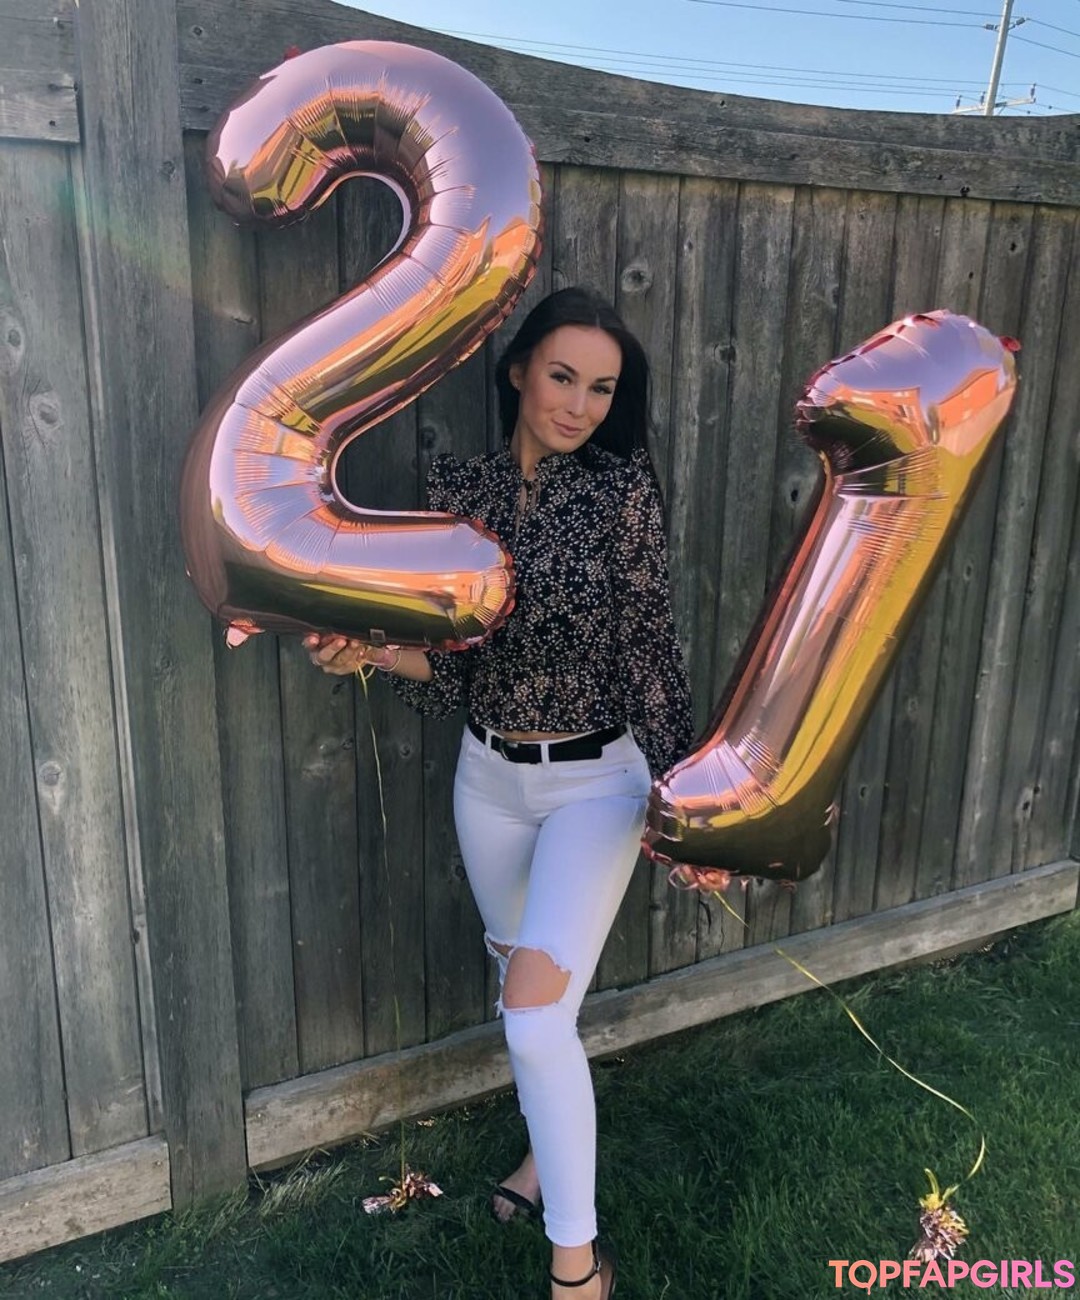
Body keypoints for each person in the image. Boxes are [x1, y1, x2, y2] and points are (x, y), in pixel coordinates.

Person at [305, 286, 693, 1300]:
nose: (580, 405)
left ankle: (578, 1269)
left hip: (596, 785)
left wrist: (691, 794)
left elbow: (650, 653)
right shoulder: (462, 491)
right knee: (526, 1005)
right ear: (519, 371)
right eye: (562, 377)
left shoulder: (620, 493)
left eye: (601, 388)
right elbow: (456, 666)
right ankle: (541, 1157)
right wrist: (365, 652)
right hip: (487, 783)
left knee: (530, 1017)